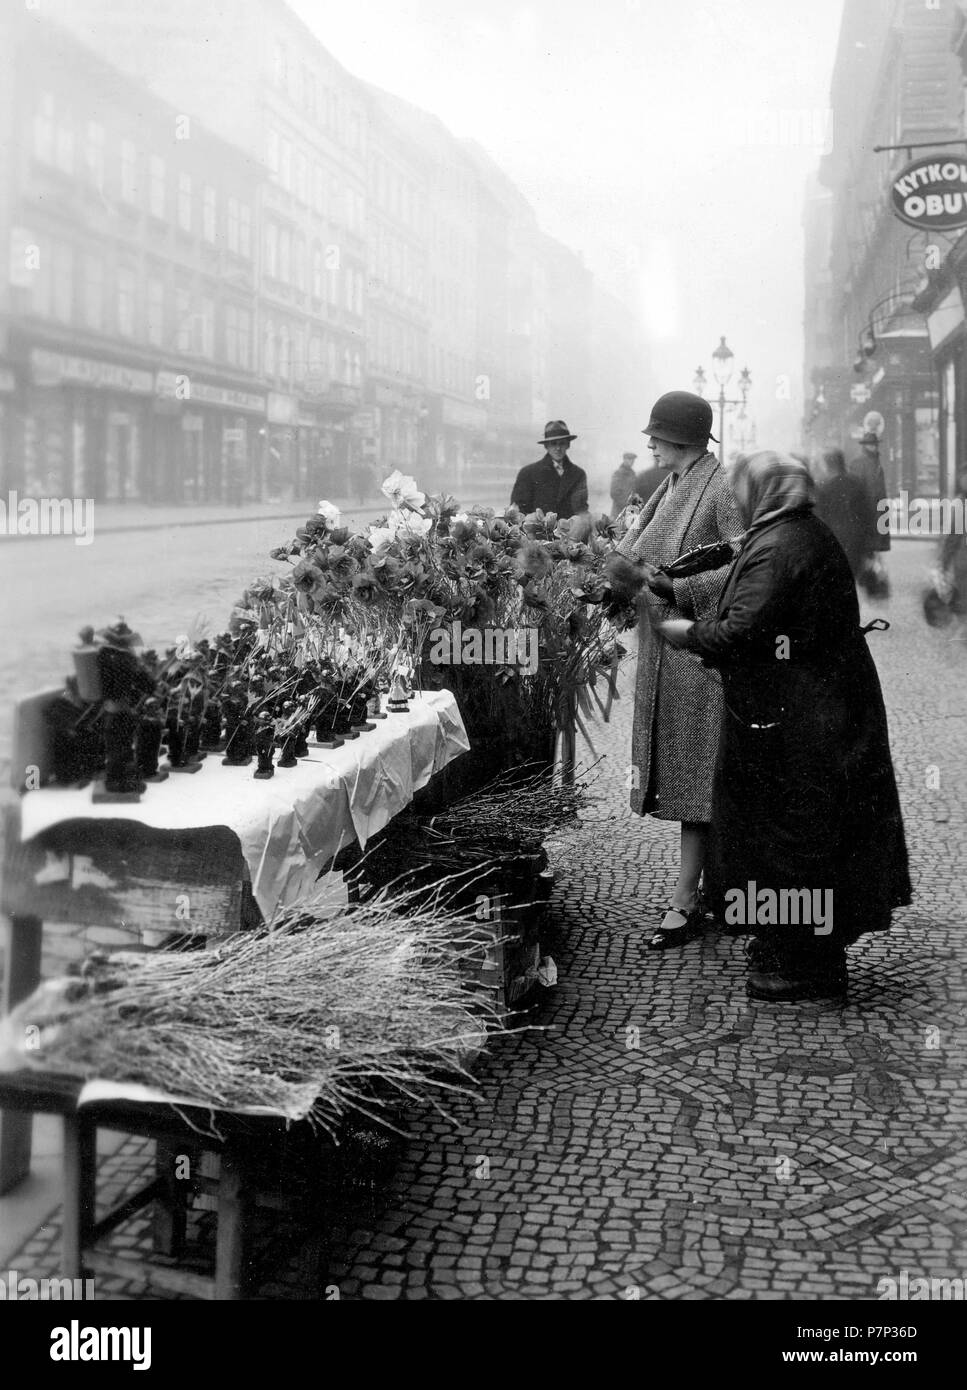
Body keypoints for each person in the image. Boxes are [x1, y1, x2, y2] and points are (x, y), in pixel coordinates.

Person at [658, 451, 911, 1001]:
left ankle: (807, 966)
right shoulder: (797, 531)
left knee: (796, 836)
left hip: (802, 721)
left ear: (763, 491)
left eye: (745, 487)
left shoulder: (781, 545)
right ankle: (787, 942)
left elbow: (739, 633)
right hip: (814, 710)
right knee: (803, 831)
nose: (739, 496)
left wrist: (684, 633)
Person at [605, 390, 744, 950]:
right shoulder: (672, 484)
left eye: (656, 434)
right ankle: (706, 893)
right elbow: (637, 550)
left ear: (680, 439)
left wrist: (674, 586)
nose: (649, 443)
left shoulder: (721, 487)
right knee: (693, 779)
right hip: (672, 655)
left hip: (701, 659)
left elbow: (740, 562)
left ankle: (687, 900)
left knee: (700, 782)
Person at [814, 446, 874, 579]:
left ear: (828, 464)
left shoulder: (823, 486)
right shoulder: (856, 483)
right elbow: (868, 515)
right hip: (856, 542)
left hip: (834, 544)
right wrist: (870, 548)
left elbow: (819, 518)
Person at [511, 420, 589, 520]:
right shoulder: (528, 473)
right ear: (546, 446)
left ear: (568, 445)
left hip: (570, 532)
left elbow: (581, 509)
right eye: (553, 444)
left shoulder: (578, 474)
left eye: (562, 443)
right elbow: (517, 511)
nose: (558, 448)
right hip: (538, 532)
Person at [849, 430, 890, 554]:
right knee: (867, 546)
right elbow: (856, 488)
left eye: (875, 444)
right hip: (867, 508)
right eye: (870, 444)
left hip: (878, 508)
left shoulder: (876, 461)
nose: (873, 446)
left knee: (874, 548)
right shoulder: (858, 462)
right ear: (865, 445)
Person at [610, 452, 639, 518]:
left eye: (633, 460)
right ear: (624, 460)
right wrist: (625, 505)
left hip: (631, 510)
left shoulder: (632, 473)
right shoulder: (618, 473)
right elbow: (614, 493)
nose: (632, 462)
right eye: (629, 459)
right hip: (619, 510)